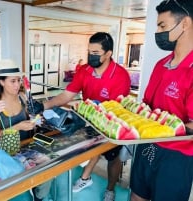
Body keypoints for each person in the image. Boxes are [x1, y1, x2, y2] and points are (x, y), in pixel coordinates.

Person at [33, 32, 131, 201]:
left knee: (113, 158)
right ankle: (86, 177)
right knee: (92, 149)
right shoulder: (85, 70)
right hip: (90, 121)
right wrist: (43, 105)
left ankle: (110, 189)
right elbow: (66, 96)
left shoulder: (121, 76)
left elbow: (116, 109)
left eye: (95, 53)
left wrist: (90, 112)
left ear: (108, 54)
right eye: (89, 51)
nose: (90, 56)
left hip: (112, 123)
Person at [130, 1, 193, 201]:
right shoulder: (161, 65)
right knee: (136, 196)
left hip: (176, 157)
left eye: (162, 26)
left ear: (185, 24)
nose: (157, 32)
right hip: (146, 144)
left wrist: (164, 128)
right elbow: (146, 105)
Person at [0, 59, 50, 201]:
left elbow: (31, 117)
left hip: (23, 147)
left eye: (19, 80)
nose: (17, 85)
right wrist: (17, 127)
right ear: (1, 82)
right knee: (22, 178)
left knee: (47, 165)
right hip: (3, 152)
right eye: (12, 81)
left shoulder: (22, 97)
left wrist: (36, 121)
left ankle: (40, 197)